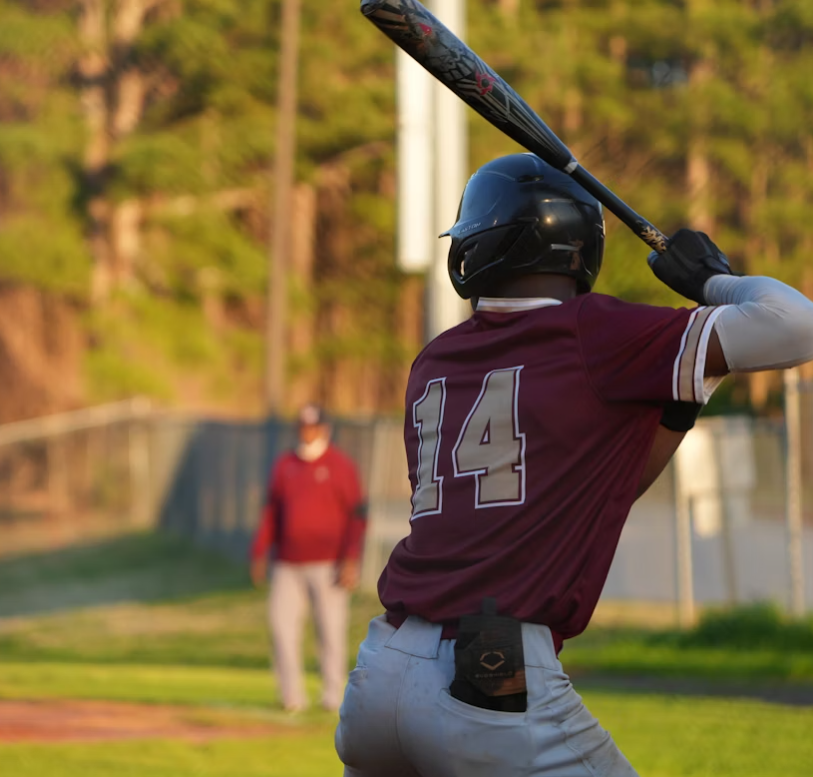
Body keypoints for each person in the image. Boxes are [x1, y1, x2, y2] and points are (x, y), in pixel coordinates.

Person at [334, 153, 813, 776]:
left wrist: (678, 408)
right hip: (492, 661)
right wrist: (713, 285)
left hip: (383, 665)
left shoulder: (437, 359)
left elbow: (603, 490)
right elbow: (796, 325)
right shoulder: (593, 331)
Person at [250, 403, 368, 713]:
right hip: (287, 563)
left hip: (328, 563)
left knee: (330, 630)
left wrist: (352, 558)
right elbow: (271, 512)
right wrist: (260, 550)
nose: (307, 433)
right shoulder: (285, 465)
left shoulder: (340, 465)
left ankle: (333, 696)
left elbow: (357, 515)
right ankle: (292, 697)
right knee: (281, 627)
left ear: (324, 429)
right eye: (303, 427)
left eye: (313, 427)